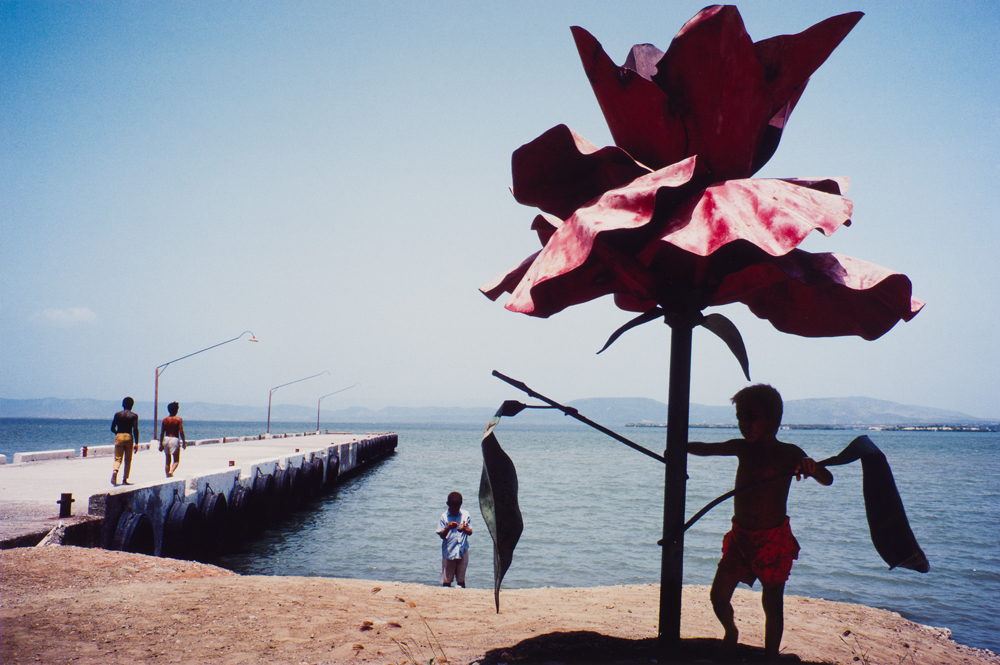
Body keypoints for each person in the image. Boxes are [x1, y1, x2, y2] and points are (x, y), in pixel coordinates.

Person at [688, 384, 833, 663]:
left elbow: (827, 479)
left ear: (773, 420)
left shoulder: (790, 453)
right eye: (740, 418)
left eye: (751, 417)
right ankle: (731, 631)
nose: (744, 423)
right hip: (740, 538)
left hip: (773, 540)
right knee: (718, 596)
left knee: (772, 604)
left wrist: (811, 468)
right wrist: (680, 448)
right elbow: (707, 449)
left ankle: (770, 658)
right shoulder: (742, 448)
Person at [436, 491, 473, 587]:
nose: (455, 511)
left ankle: (462, 592)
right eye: (453, 509)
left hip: (462, 551)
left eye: (457, 509)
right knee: (447, 580)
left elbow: (470, 532)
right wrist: (448, 527)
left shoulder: (465, 514)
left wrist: (464, 529)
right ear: (447, 504)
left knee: (461, 579)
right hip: (449, 552)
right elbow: (442, 535)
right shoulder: (444, 517)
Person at [110, 397, 140, 486]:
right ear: (132, 405)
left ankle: (115, 471)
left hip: (119, 436)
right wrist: (136, 443)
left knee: (118, 458)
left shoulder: (117, 415)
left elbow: (112, 428)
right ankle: (125, 479)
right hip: (129, 436)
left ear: (123, 404)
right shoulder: (134, 416)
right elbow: (135, 429)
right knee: (128, 459)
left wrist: (117, 433)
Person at [159, 401, 187, 478]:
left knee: (167, 460)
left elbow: (162, 432)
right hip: (174, 439)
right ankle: (171, 471)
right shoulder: (178, 419)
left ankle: (167, 476)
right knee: (176, 460)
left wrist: (160, 443)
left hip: (166, 439)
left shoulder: (165, 420)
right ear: (176, 410)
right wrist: (184, 442)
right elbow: (181, 431)